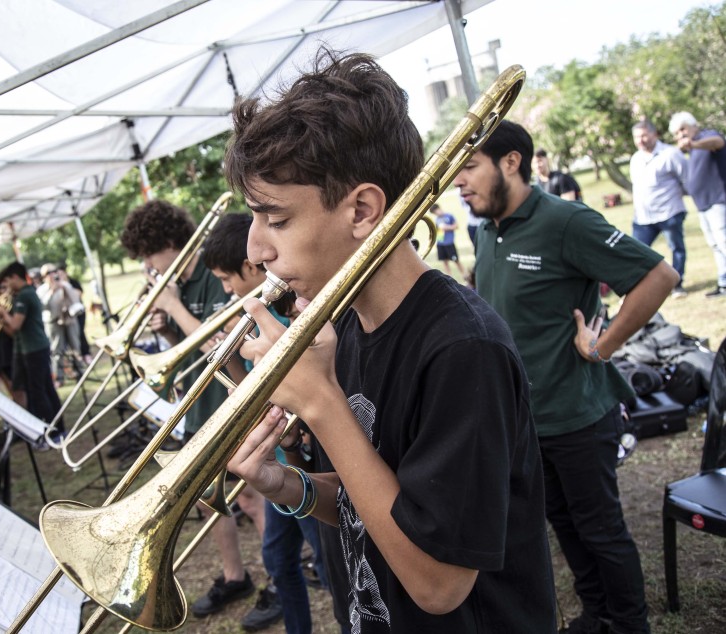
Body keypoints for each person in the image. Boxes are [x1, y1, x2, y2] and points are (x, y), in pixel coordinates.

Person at [224, 50, 557, 633]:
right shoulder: (345, 325)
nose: (255, 251)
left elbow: (439, 584)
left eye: (275, 220)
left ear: (362, 209)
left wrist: (323, 404)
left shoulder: (462, 347)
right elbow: (371, 498)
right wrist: (288, 484)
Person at [458, 120, 679, 634]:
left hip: (577, 414)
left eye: (469, 168)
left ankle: (628, 624)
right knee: (564, 526)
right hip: (526, 421)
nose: (459, 183)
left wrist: (604, 343)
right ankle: (597, 614)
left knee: (601, 530)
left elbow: (658, 276)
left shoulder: (565, 220)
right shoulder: (486, 231)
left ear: (510, 162)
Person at [119, 200, 254, 617]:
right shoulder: (176, 284)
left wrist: (176, 307)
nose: (148, 265)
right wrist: (167, 326)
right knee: (204, 497)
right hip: (196, 407)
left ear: (173, 243)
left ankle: (280, 582)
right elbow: (186, 348)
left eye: (149, 254)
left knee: (249, 496)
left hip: (229, 403)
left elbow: (224, 346)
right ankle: (235, 576)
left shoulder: (216, 274)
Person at [204, 211, 323, 634]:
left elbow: (289, 397)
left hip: (306, 466)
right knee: (275, 557)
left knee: (328, 562)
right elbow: (256, 397)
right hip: (277, 463)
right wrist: (232, 361)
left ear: (253, 268)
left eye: (227, 278)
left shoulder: (294, 315)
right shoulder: (254, 319)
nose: (226, 289)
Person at [0, 261, 63, 429]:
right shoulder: (26, 293)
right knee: (46, 388)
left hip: (34, 349)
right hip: (33, 347)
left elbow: (16, 325)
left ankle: (50, 428)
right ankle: (58, 426)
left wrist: (3, 314)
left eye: (8, 281)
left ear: (15, 277)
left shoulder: (25, 295)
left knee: (38, 391)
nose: (7, 286)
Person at [669, 111, 726, 298]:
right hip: (703, 205)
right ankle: (724, 283)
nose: (681, 135)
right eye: (677, 134)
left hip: (718, 201)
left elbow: (718, 143)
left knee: (724, 242)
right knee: (715, 244)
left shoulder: (706, 136)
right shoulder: (693, 150)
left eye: (682, 130)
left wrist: (694, 144)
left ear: (692, 125)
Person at [630, 120, 689, 298]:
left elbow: (686, 179)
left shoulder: (670, 154)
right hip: (643, 218)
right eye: (636, 137)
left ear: (655, 134)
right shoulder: (636, 158)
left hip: (668, 212)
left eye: (644, 135)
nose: (640, 140)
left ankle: (677, 285)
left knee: (676, 248)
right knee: (634, 251)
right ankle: (640, 288)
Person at [37, 262, 83, 387]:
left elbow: (75, 301)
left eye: (54, 271)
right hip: (53, 322)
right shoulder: (42, 290)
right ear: (44, 276)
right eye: (49, 273)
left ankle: (81, 372)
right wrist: (52, 291)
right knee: (57, 351)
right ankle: (59, 377)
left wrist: (65, 288)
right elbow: (42, 306)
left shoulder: (65, 284)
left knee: (75, 347)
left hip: (69, 319)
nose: (53, 275)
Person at [428, 204, 466, 277]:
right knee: (444, 261)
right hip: (441, 243)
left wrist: (447, 227)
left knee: (456, 260)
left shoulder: (449, 216)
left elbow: (456, 226)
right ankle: (450, 276)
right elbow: (438, 231)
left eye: (436, 212)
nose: (436, 214)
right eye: (434, 213)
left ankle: (465, 275)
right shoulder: (437, 219)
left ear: (439, 208)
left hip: (449, 243)